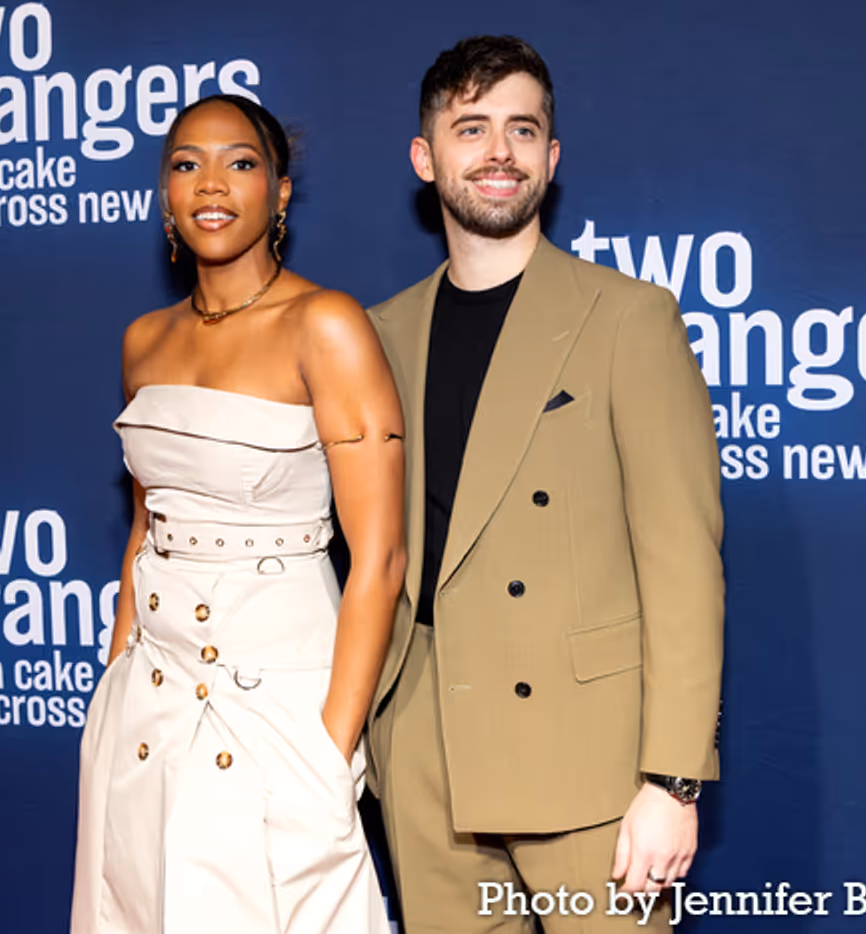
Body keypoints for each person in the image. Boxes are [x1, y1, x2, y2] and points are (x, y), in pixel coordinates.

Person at [366, 37, 725, 932]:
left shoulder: (627, 318)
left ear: (551, 158)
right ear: (425, 156)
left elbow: (684, 564)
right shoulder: (378, 334)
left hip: (590, 765)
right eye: (472, 128)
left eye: (522, 131)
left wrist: (672, 781)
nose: (499, 153)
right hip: (424, 755)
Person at [71, 94, 405, 934]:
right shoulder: (142, 339)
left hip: (278, 710)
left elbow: (381, 560)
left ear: (281, 192)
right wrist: (115, 682)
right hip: (145, 705)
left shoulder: (325, 325)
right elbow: (148, 527)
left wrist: (331, 749)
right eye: (186, 164)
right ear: (164, 194)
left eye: (241, 163)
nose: (210, 184)